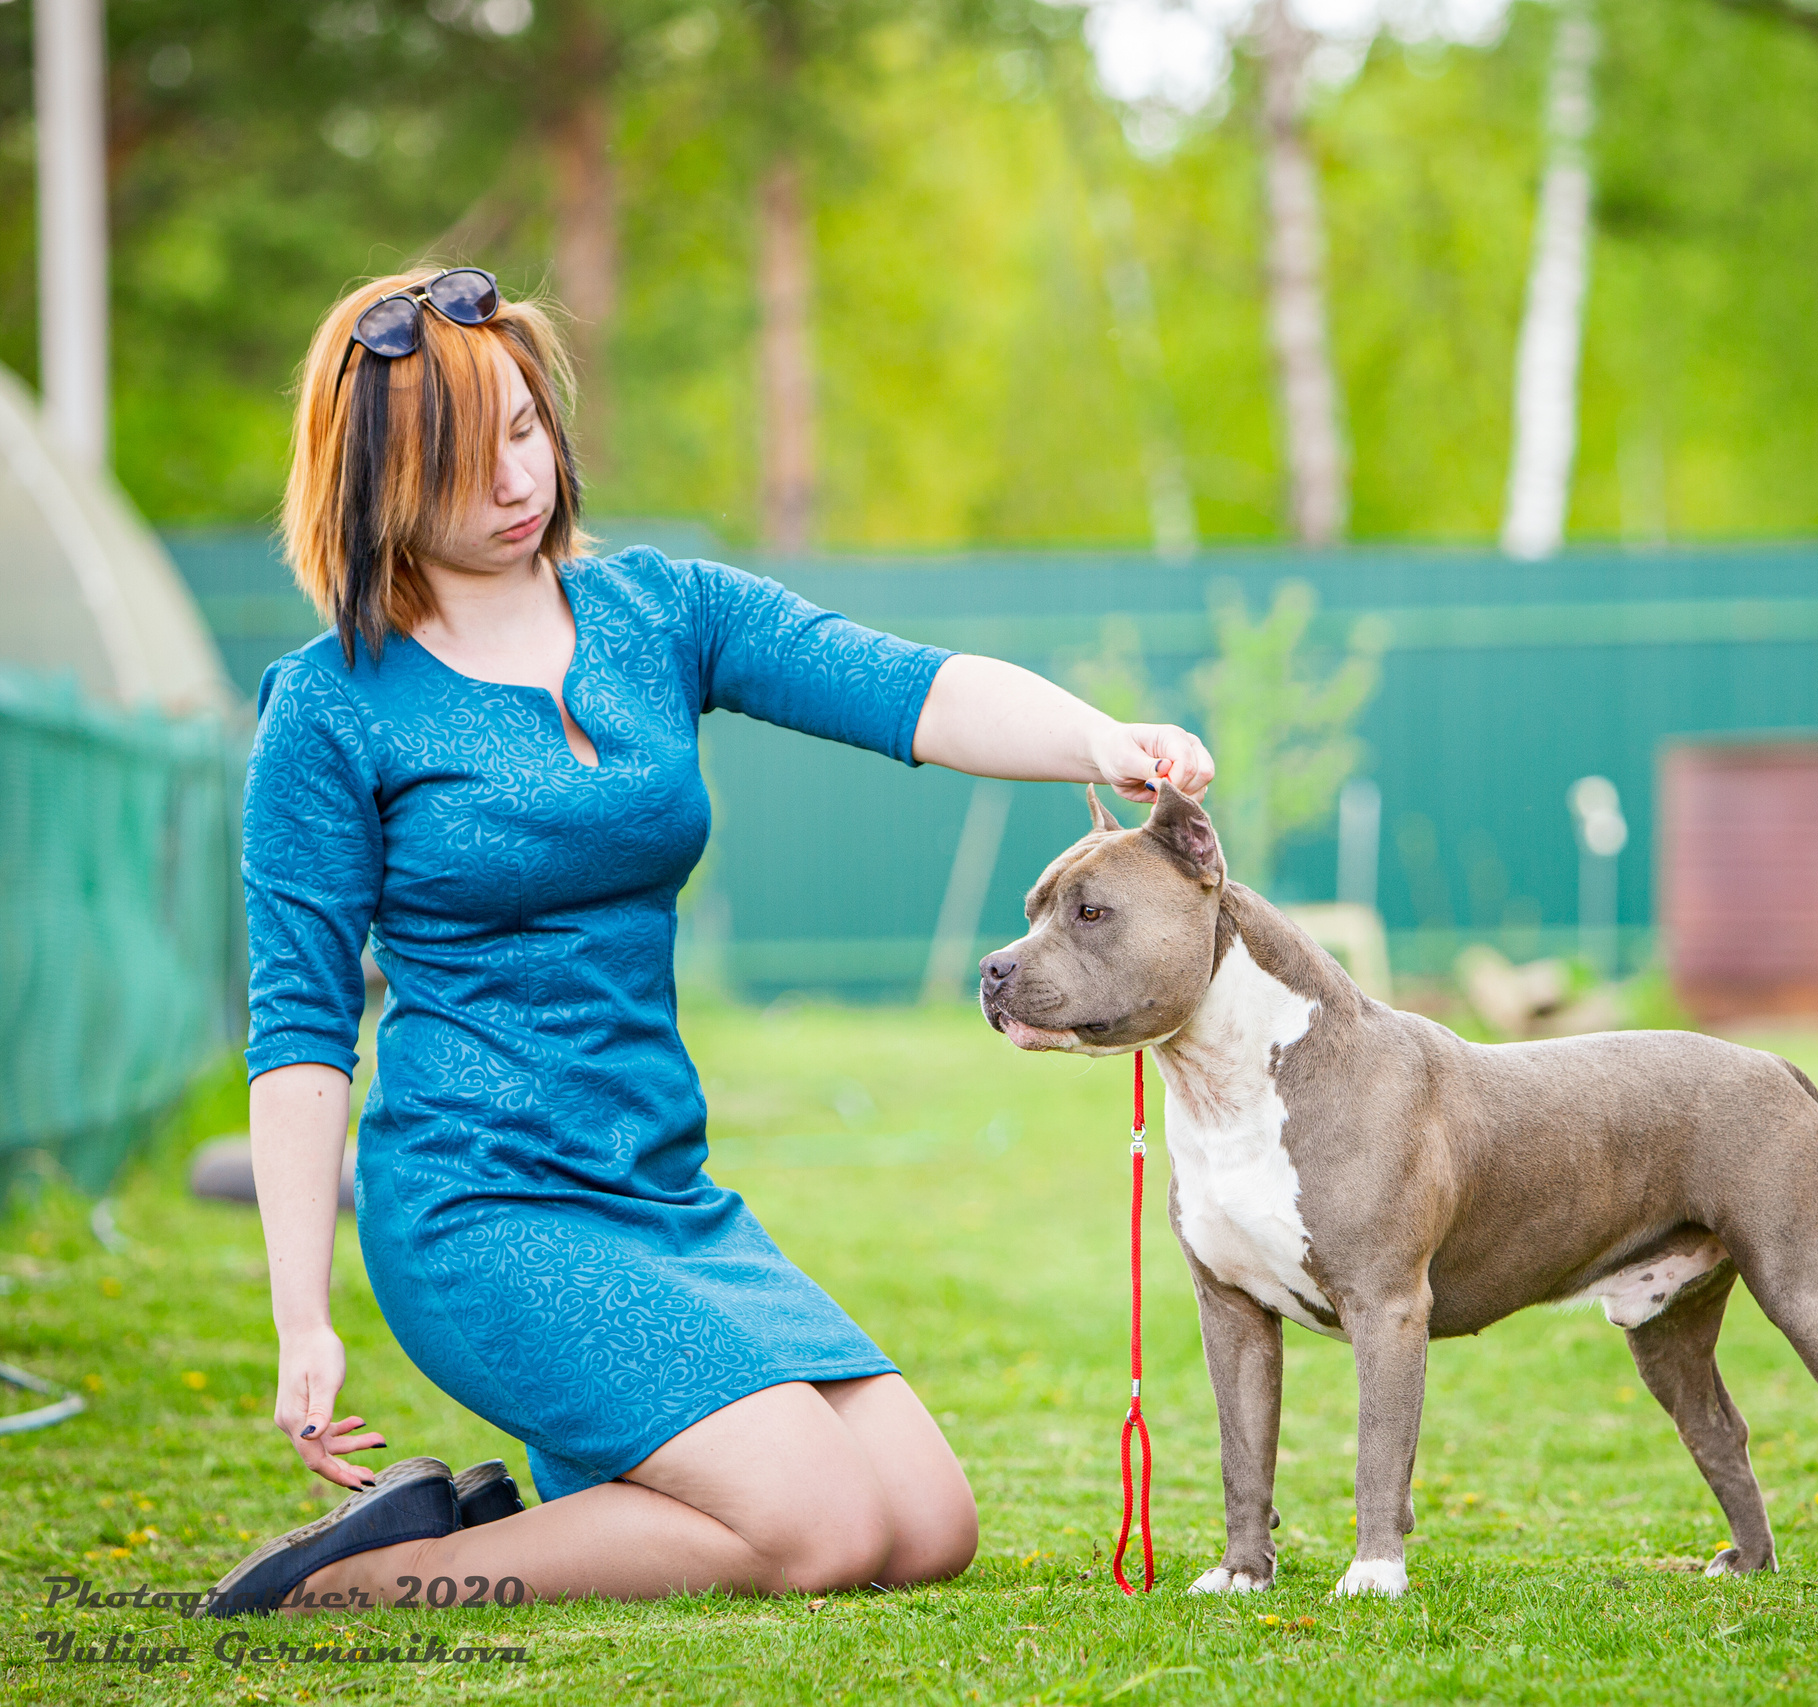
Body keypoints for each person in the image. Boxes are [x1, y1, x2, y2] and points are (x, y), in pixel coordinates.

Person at [204, 266, 1213, 1617]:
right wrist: (301, 1314)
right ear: (372, 479)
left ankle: (570, 1508)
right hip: (482, 1206)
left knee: (923, 1525)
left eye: (522, 425)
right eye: (459, 460)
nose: (514, 478)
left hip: (662, 1196)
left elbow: (900, 684)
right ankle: (380, 1575)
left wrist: (1096, 739)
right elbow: (302, 1028)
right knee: (817, 1530)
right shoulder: (328, 712)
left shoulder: (656, 613)